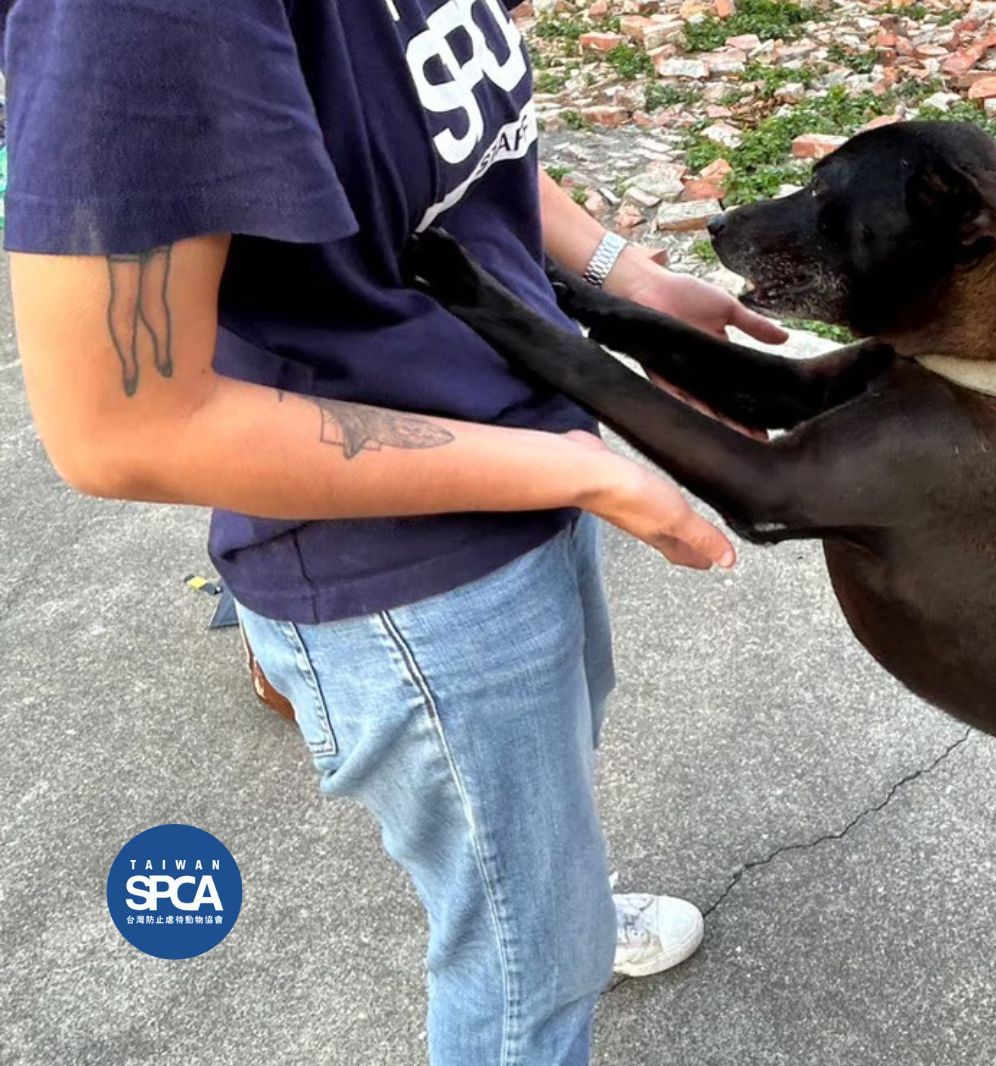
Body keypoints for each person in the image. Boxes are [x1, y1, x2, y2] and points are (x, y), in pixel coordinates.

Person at [2, 1, 786, 1063]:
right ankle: (546, 935)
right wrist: (573, 467)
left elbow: (454, 134)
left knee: (541, 801)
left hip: (517, 436)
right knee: (520, 980)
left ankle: (556, 903)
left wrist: (620, 272)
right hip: (404, 575)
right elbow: (122, 425)